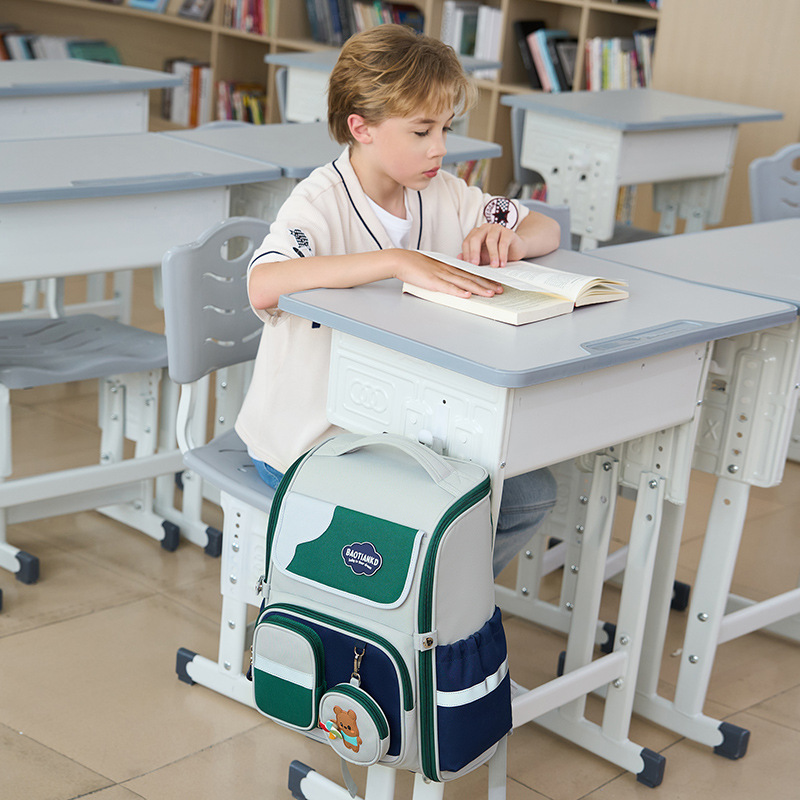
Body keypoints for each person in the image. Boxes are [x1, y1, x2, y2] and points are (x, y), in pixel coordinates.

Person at [235, 24, 560, 576]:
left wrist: (512, 239)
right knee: (443, 511)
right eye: (421, 131)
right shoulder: (320, 201)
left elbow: (543, 227)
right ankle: (400, 608)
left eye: (445, 128)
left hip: (405, 426)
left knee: (529, 495)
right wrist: (394, 260)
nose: (440, 148)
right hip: (310, 441)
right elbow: (263, 283)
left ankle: (436, 608)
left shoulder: (445, 192)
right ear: (360, 127)